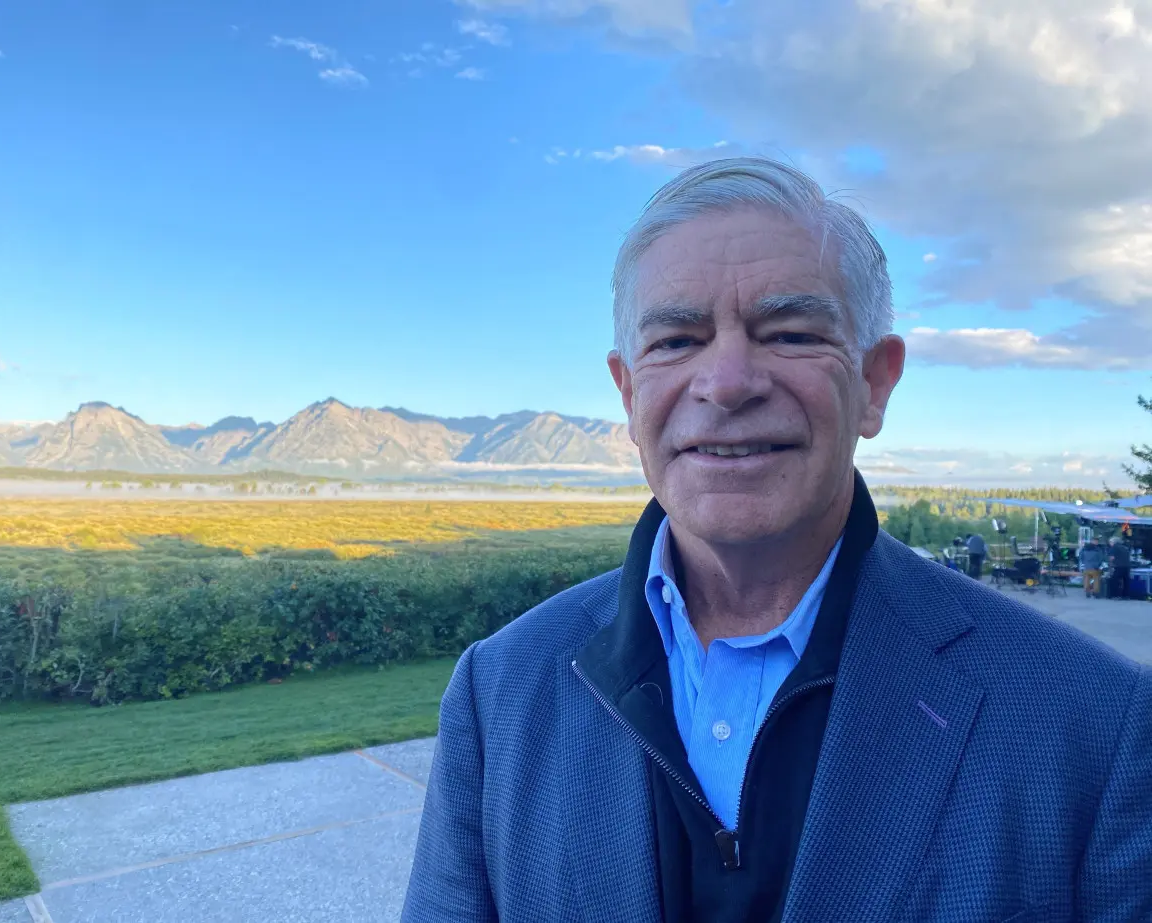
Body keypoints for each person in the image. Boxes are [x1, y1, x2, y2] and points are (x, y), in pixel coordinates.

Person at [402, 157, 1152, 923]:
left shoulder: (1092, 723)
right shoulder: (499, 692)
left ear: (875, 382)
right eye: (676, 340)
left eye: (790, 332)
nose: (727, 381)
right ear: (629, 394)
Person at [1110, 536, 1132, 600]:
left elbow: (1112, 558)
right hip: (1127, 566)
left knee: (1115, 581)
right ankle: (1126, 596)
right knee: (1126, 581)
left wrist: (1111, 565)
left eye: (1110, 542)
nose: (1110, 543)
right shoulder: (1125, 547)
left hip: (1118, 566)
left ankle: (1116, 595)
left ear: (1113, 542)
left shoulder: (1114, 547)